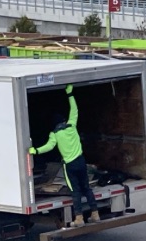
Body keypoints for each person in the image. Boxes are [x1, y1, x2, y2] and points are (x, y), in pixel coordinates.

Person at [29, 84, 99, 227]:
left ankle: (79, 218)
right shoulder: (72, 125)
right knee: (86, 187)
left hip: (70, 166)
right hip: (81, 161)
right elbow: (75, 110)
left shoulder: (55, 134)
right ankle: (95, 213)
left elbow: (49, 147)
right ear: (63, 120)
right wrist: (70, 94)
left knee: (75, 191)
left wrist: (34, 151)